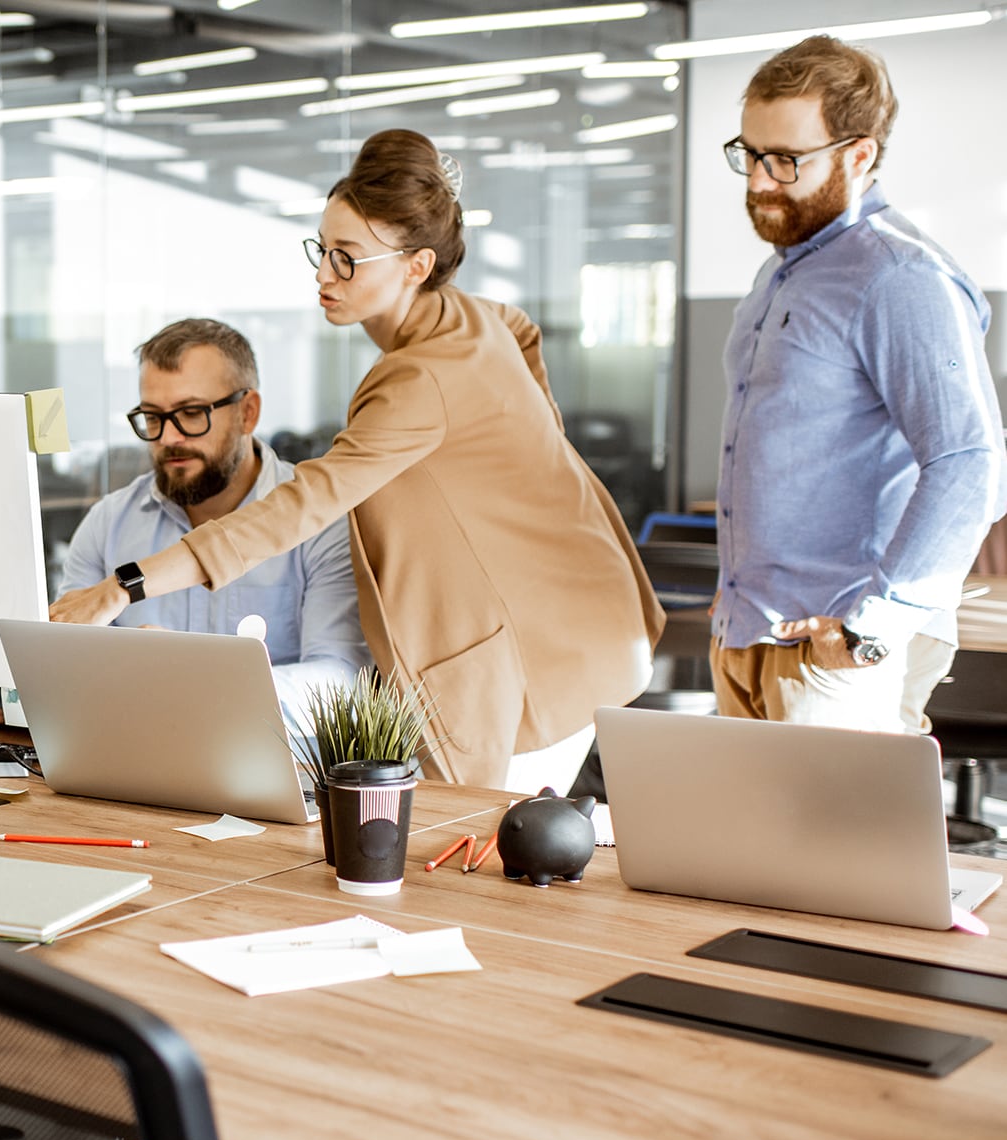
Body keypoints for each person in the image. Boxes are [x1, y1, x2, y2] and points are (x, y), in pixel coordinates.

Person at [49, 131, 663, 794]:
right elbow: (524, 335)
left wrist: (127, 586)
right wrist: (527, 477)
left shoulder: (418, 380)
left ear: (415, 265)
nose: (323, 277)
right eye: (322, 251)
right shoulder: (475, 319)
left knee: (469, 857)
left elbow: (297, 507)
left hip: (544, 656)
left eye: (347, 261)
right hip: (586, 618)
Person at [712, 36, 1004, 733]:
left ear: (859, 154)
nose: (758, 181)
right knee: (739, 844)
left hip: (837, 647)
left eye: (786, 160)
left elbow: (970, 462)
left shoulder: (901, 278)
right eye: (749, 154)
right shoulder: (784, 271)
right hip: (751, 629)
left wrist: (870, 630)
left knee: (837, 846)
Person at [7, 318, 369, 726]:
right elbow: (63, 665)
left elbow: (341, 681)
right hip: (131, 762)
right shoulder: (108, 523)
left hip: (281, 768)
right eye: (153, 417)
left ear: (248, 413)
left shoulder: (321, 523)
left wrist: (195, 679)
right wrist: (10, 698)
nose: (169, 438)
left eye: (192, 413)